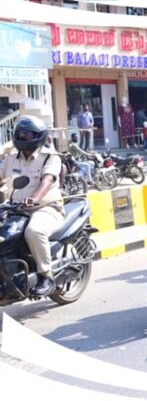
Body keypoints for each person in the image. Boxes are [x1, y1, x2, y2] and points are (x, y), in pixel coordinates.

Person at [2, 116, 64, 296]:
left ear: (38, 136)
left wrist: (33, 198)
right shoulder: (11, 158)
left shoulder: (50, 158)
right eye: (20, 132)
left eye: (27, 133)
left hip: (46, 208)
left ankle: (46, 277)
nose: (22, 136)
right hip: (15, 209)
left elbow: (47, 180)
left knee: (34, 231)